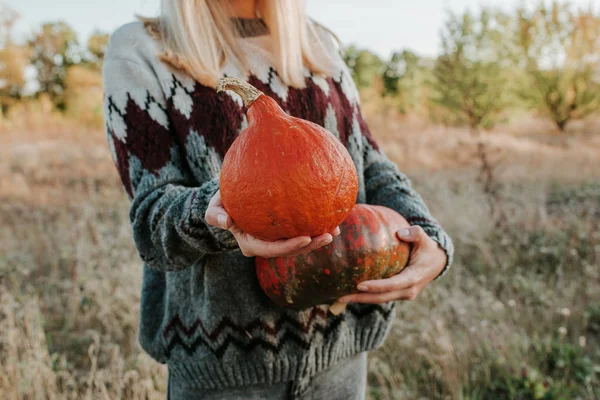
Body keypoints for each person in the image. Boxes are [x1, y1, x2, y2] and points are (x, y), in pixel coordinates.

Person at [102, 1, 454, 399]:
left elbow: (368, 163)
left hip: (341, 354)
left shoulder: (316, 43)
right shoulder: (140, 49)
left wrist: (427, 235)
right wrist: (216, 215)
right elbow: (152, 218)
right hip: (223, 366)